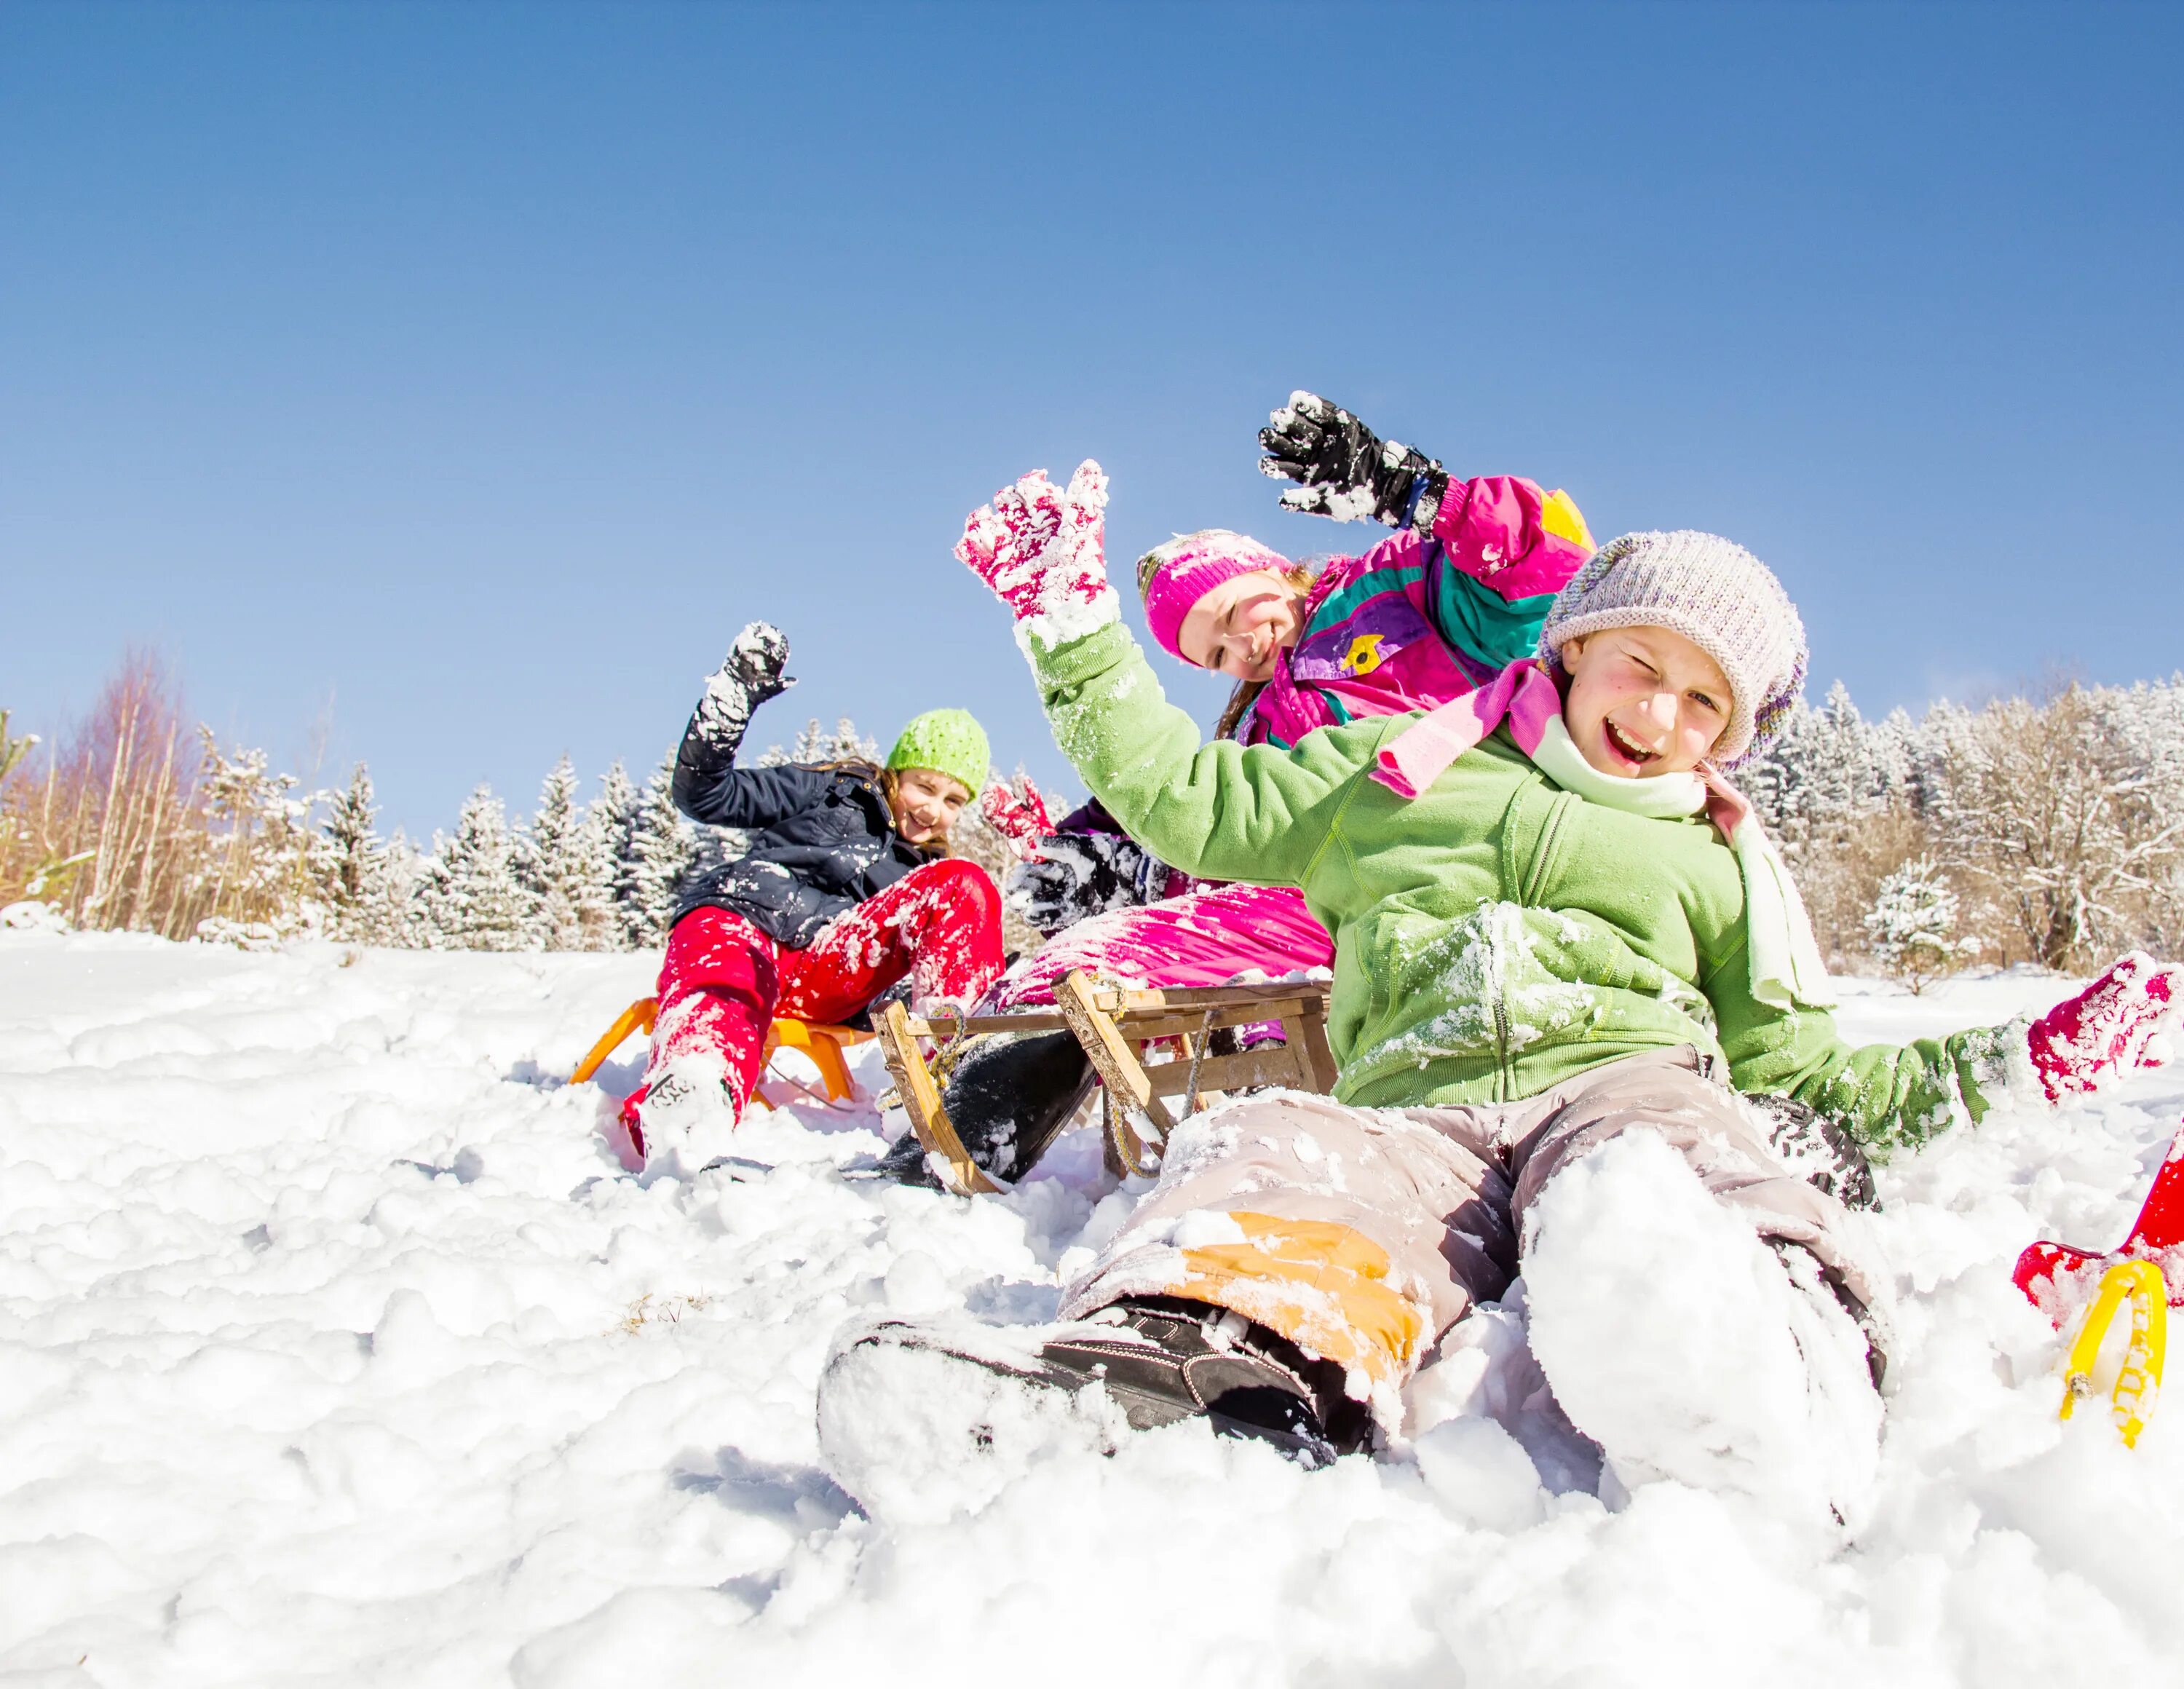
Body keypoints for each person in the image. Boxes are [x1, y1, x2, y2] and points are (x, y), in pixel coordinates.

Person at [823, 465, 2184, 1527]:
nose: (1659, 717)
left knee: (1673, 1166)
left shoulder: (1716, 856)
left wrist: (2030, 1059)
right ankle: (1162, 1374)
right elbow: (1185, 797)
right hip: (1422, 1102)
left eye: (1706, 704)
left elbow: (1809, 1076)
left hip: (1624, 1083)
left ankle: (1765, 1370)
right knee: (1275, 1152)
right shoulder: (1401, 768)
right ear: (1578, 648)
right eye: (1642, 665)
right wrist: (1073, 629)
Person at [881, 395, 1597, 1189]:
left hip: (1435, 879)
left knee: (1108, 960)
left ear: (1264, 564)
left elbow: (1551, 577)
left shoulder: (1393, 590)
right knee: (1088, 963)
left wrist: (1417, 493)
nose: (1241, 649)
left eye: (1230, 614)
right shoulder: (1254, 725)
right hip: (1313, 909)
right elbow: (1223, 819)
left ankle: (956, 1150)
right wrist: (1101, 852)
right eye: (1215, 655)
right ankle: (950, 1142)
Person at [622, 621, 1005, 1173]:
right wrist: (731, 705)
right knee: (725, 983)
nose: (933, 811)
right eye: (925, 786)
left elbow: (895, 980)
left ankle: (947, 1091)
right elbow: (705, 795)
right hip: (742, 921)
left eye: (953, 800)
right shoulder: (831, 789)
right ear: (895, 772)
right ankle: (693, 1098)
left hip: (826, 966)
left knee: (965, 882)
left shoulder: (925, 873)